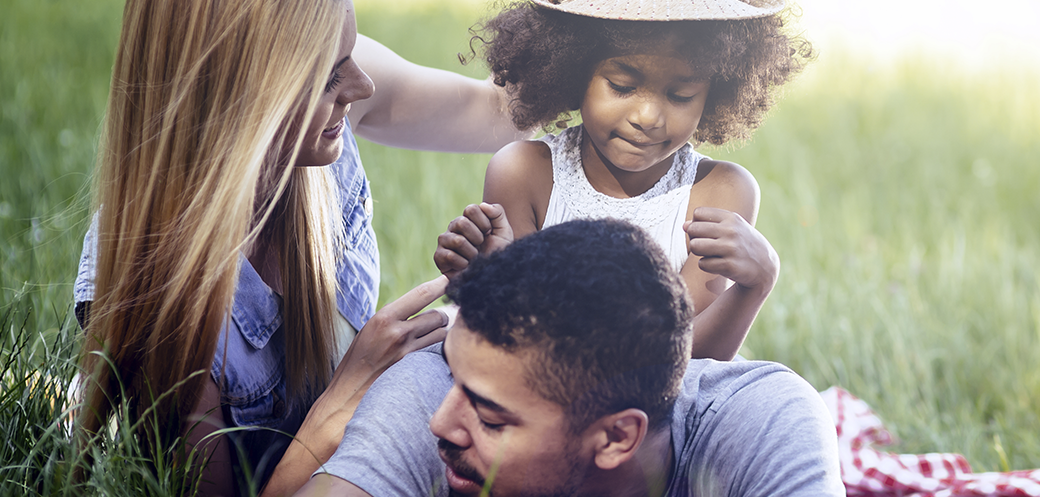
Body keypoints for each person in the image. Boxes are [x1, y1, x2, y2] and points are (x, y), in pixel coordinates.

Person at [73, 0, 523, 494]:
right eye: (327, 79)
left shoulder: (328, 96)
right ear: (235, 102)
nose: (362, 86)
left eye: (350, 55)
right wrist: (345, 398)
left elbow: (501, 114)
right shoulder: (164, 308)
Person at [298, 219, 843, 496]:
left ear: (615, 438)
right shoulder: (430, 396)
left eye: (491, 418)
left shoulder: (761, 425)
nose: (442, 422)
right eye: (452, 379)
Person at [432, 0, 815, 361]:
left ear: (714, 93)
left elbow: (691, 362)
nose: (648, 116)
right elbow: (518, 343)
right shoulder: (525, 173)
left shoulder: (719, 191)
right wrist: (481, 284)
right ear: (573, 71)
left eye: (680, 95)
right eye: (621, 86)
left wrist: (757, 286)